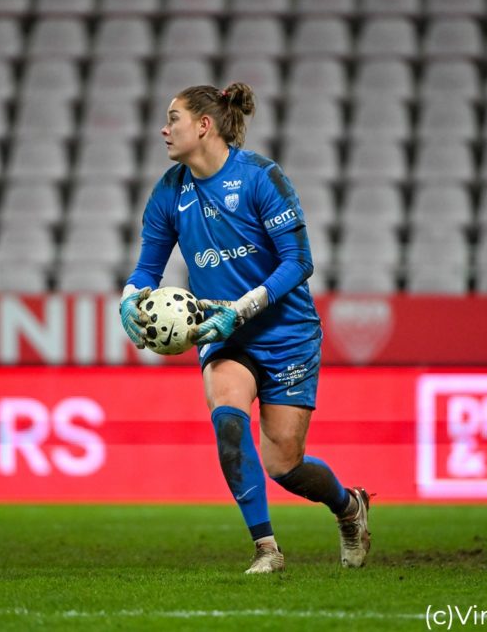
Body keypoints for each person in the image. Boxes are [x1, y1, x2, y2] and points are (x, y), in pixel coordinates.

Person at [118, 82, 370, 574]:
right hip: (224, 336)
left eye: (173, 119)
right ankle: (266, 548)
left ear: (204, 125)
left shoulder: (259, 177)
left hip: (286, 333)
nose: (164, 129)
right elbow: (148, 269)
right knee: (228, 421)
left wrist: (242, 308)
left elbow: (299, 262)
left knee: (284, 465)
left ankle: (348, 506)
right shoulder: (170, 192)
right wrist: (129, 297)